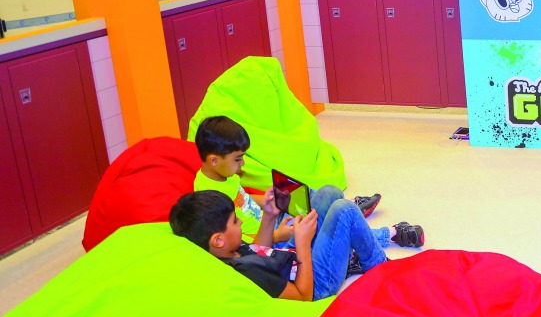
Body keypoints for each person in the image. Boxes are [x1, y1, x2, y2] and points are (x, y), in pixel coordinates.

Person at [170, 189, 415, 301]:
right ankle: (381, 268)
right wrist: (303, 245)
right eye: (235, 221)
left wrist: (268, 215)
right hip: (316, 282)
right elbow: (303, 294)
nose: (241, 221)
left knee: (327, 194)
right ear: (218, 239)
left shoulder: (227, 250)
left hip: (294, 256)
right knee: (345, 210)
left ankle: (350, 253)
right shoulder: (248, 273)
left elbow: (257, 249)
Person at [192, 116, 397, 249]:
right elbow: (244, 246)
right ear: (214, 160)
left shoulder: (223, 175)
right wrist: (277, 235)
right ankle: (388, 235)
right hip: (273, 237)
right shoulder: (209, 198)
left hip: (272, 218)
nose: (243, 163)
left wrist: (267, 199)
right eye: (238, 159)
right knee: (326, 228)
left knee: (317, 193)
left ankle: (348, 208)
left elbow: (241, 200)